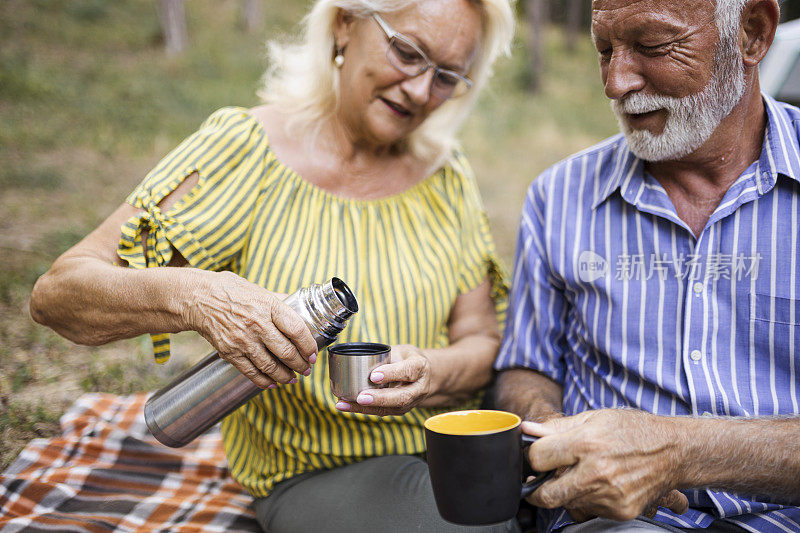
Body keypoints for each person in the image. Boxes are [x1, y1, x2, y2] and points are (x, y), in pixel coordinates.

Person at [29, 0, 516, 531]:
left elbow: (480, 341)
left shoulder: (446, 177)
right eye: (407, 52)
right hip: (316, 470)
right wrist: (198, 296)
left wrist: (429, 374)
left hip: (445, 446)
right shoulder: (248, 153)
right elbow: (59, 294)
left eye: (447, 76)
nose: (422, 92)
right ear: (343, 26)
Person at [494, 0, 800, 531]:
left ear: (751, 33)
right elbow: (527, 366)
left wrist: (680, 451)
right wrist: (561, 444)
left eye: (653, 46)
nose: (616, 82)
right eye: (604, 50)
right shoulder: (557, 196)